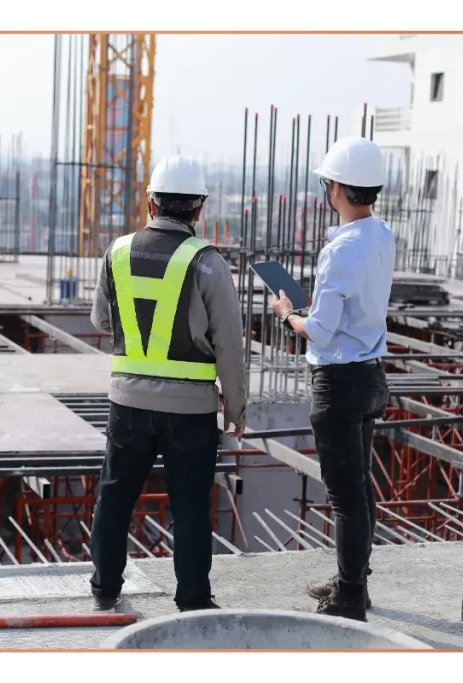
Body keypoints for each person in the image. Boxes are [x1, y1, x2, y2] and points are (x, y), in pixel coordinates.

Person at [89, 155, 247, 613]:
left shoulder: (116, 252)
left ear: (151, 202)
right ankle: (193, 600)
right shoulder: (208, 263)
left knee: (115, 495)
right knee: (192, 506)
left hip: (128, 404)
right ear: (198, 209)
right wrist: (236, 411)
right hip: (192, 411)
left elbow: (102, 319)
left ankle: (104, 589)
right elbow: (230, 349)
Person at [268, 137, 394, 622]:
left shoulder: (339, 250)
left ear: (335, 187)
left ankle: (349, 597)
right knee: (360, 489)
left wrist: (287, 313)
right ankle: (351, 583)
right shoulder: (382, 235)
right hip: (370, 375)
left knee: (346, 496)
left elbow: (318, 330)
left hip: (338, 381)